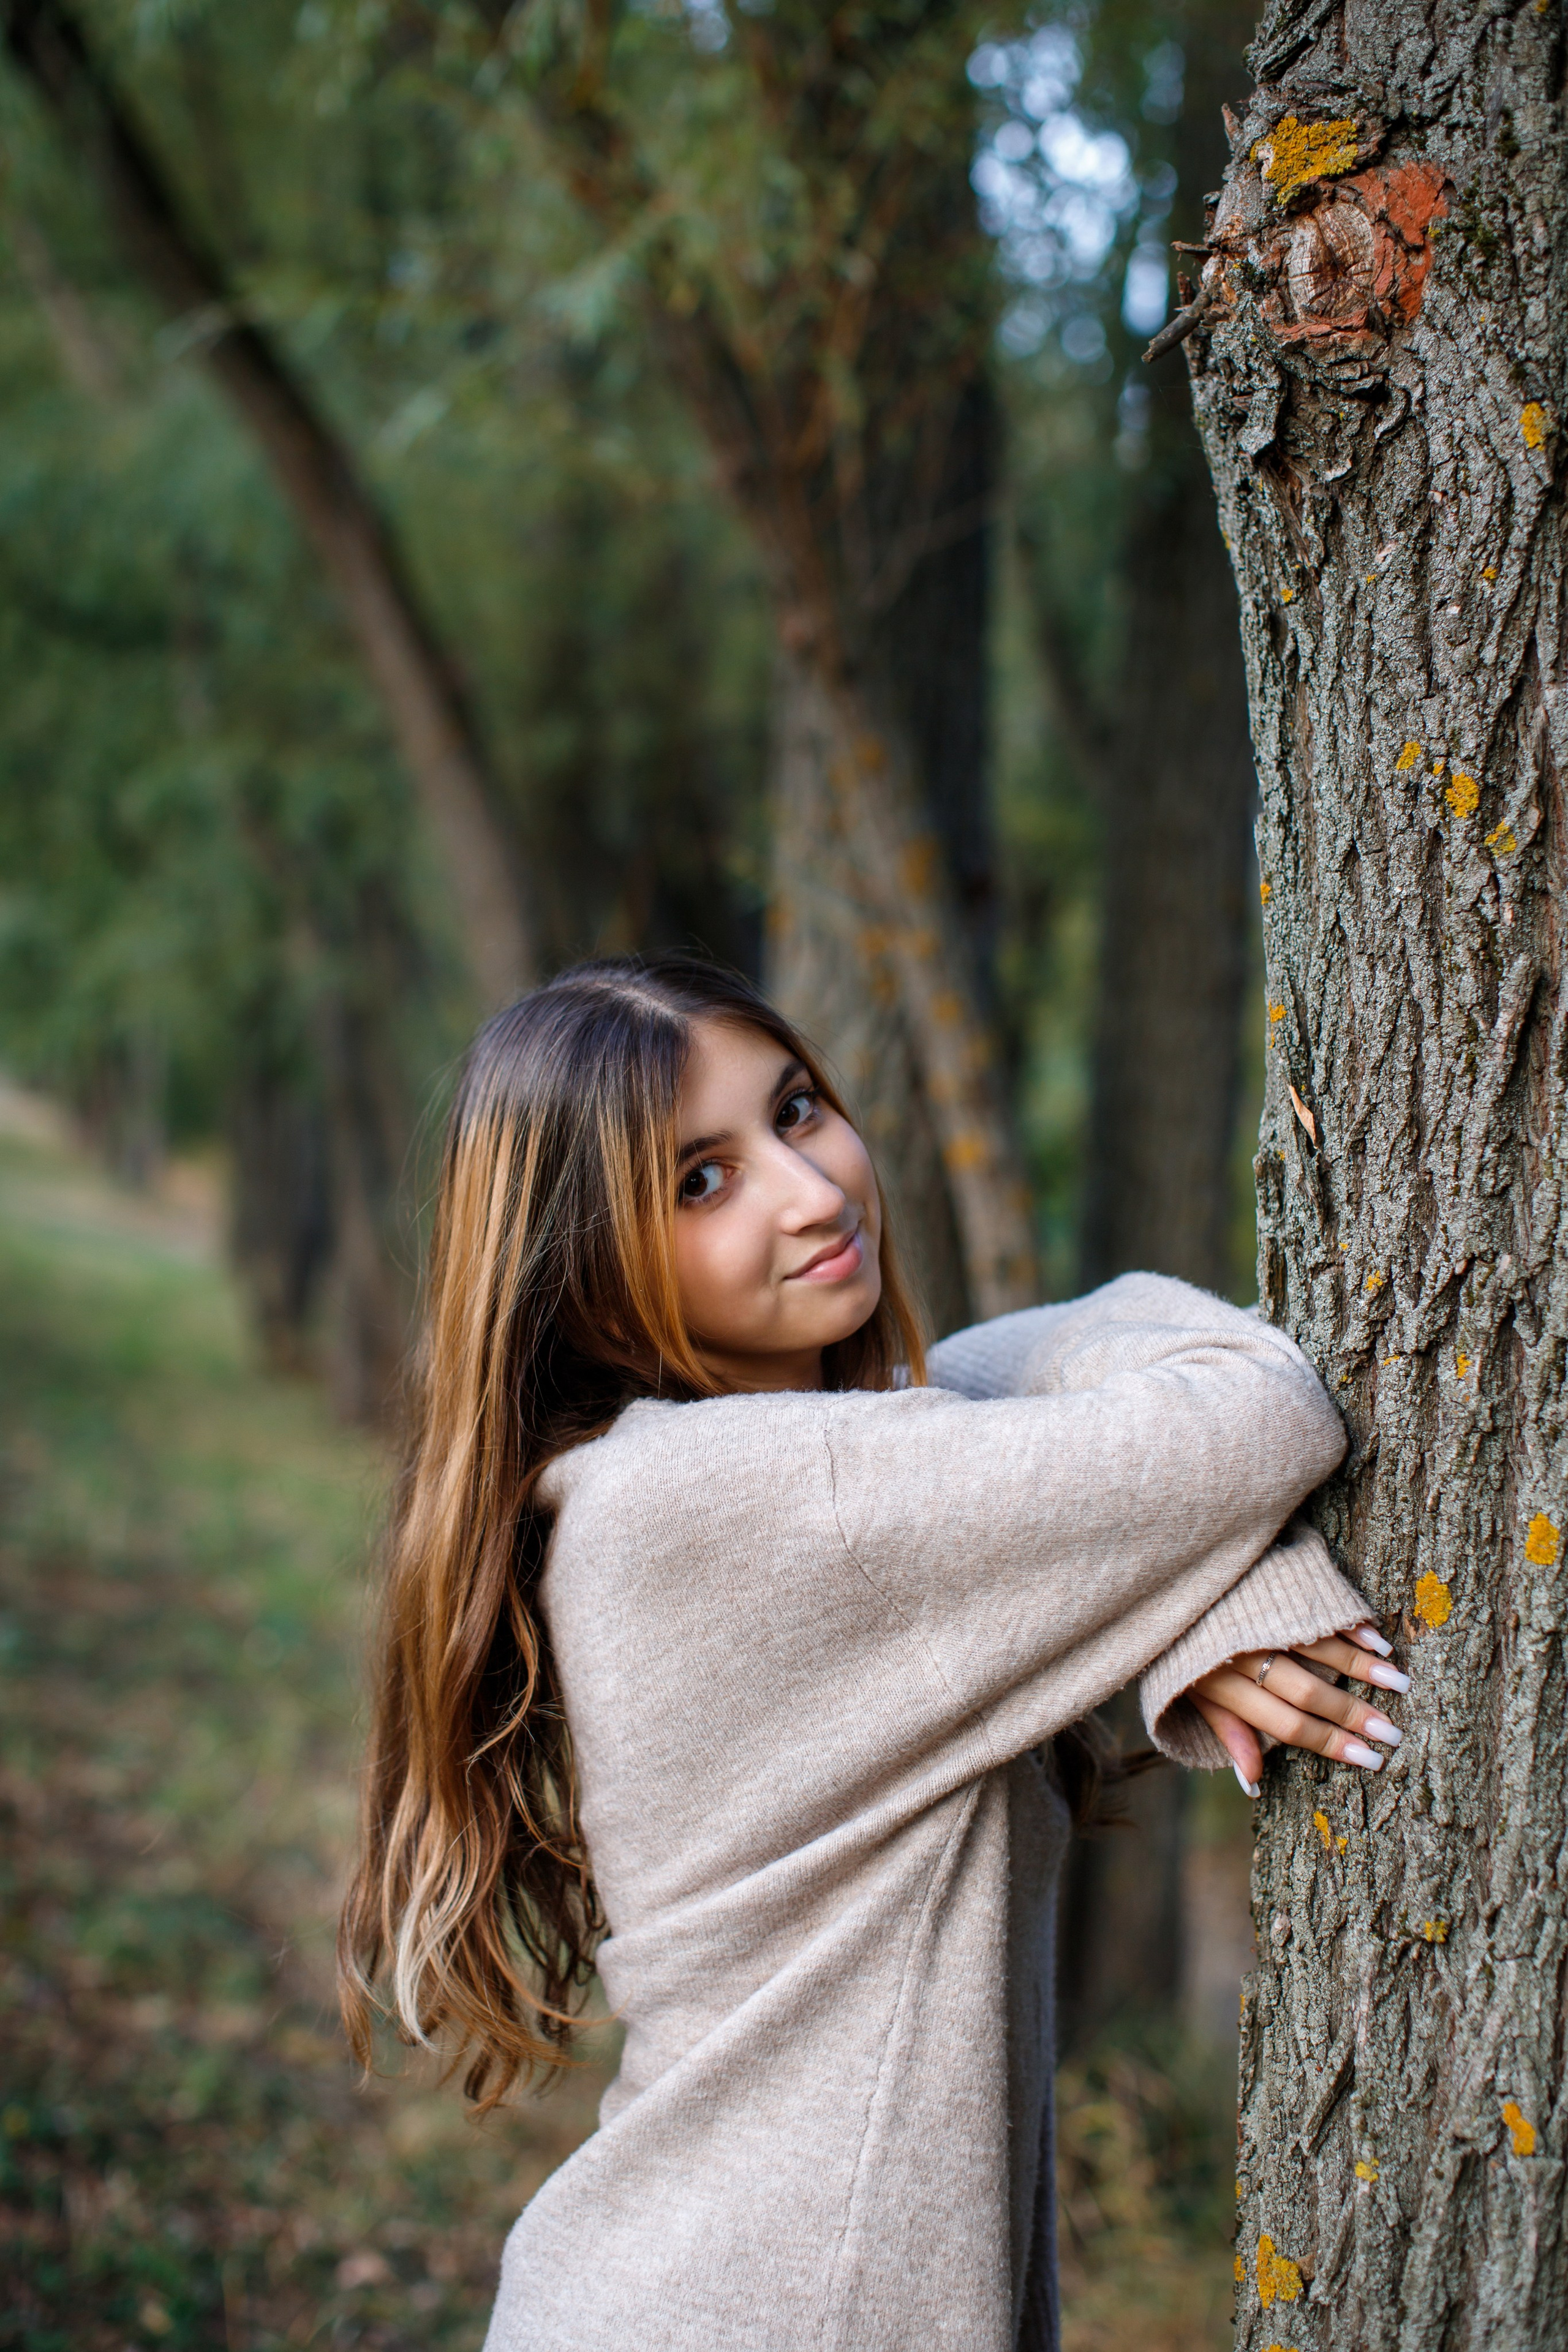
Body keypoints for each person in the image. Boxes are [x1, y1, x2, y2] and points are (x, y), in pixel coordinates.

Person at [339, 954, 1412, 2352]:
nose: (810, 1190)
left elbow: (995, 1415)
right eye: (697, 1182)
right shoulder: (726, 1507)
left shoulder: (692, 1489)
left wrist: (1170, 1603)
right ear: (591, 1291)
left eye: (793, 1112)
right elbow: (1261, 1414)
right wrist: (1186, 1587)